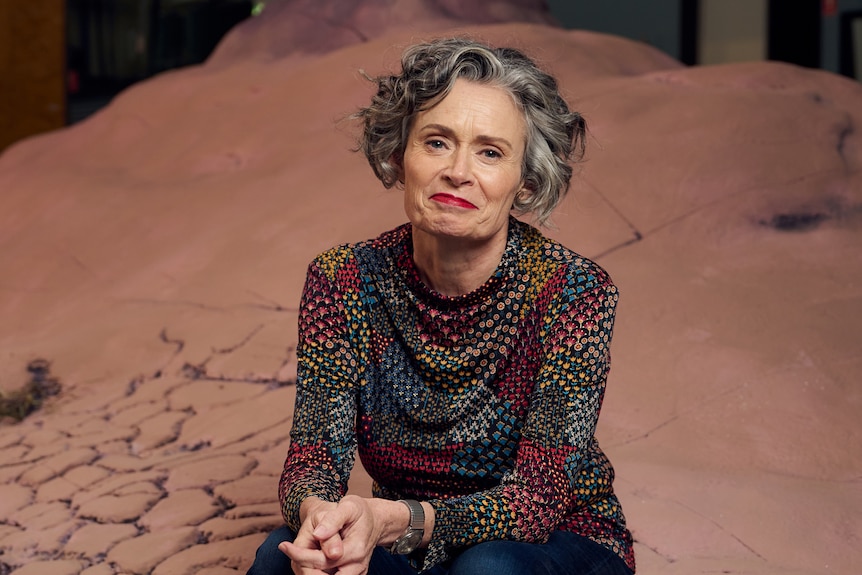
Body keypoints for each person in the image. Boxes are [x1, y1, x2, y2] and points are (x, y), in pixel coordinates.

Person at [247, 37, 635, 575]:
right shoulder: (343, 280)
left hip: (554, 544)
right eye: (436, 142)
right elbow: (313, 458)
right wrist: (321, 520)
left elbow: (536, 502)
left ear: (525, 182)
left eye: (490, 151)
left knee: (488, 568)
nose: (458, 170)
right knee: (279, 559)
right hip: (413, 546)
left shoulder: (575, 291)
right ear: (397, 155)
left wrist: (399, 521)